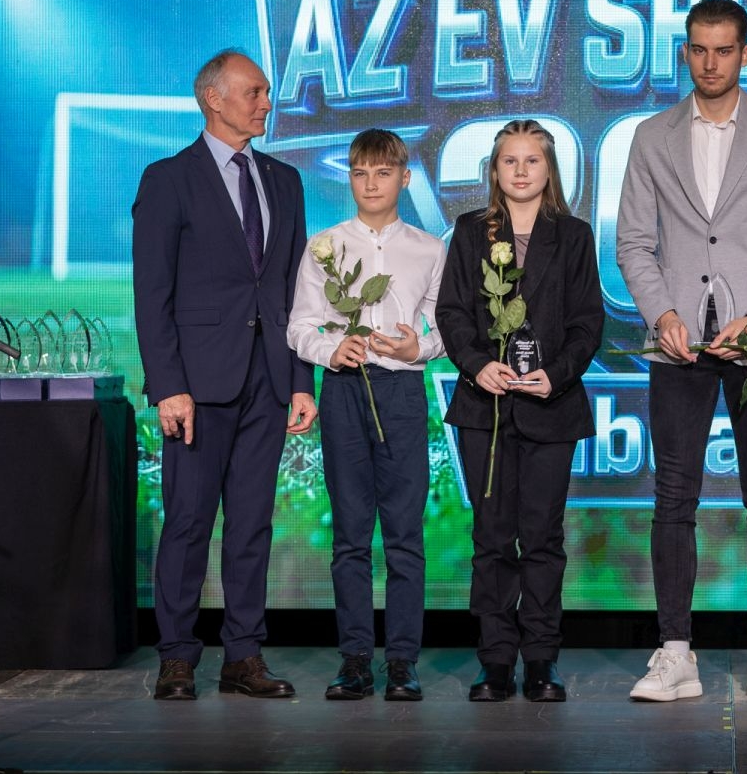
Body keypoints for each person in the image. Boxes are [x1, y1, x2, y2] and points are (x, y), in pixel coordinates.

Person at [616, 0, 747, 703]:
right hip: (678, 344)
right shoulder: (651, 135)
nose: (711, 62)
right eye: (699, 50)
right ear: (685, 52)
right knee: (673, 497)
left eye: (724, 50)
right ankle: (676, 651)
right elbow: (633, 243)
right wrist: (662, 312)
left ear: (746, 53)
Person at [133, 49, 317, 701]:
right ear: (213, 98)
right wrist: (168, 385)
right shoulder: (168, 179)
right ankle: (177, 658)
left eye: (266, 92)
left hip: (269, 382)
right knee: (187, 522)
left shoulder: (285, 181)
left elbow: (296, 292)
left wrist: (301, 380)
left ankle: (243, 655)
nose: (267, 102)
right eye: (255, 91)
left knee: (251, 524)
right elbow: (152, 294)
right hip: (197, 386)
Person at [435, 119, 604, 703]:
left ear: (549, 169)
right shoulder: (469, 231)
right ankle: (495, 661)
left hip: (551, 408)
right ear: (494, 169)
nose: (522, 170)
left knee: (542, 539)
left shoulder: (574, 235)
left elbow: (587, 323)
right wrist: (477, 364)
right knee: (491, 537)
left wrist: (556, 374)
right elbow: (452, 312)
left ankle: (540, 660)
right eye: (511, 160)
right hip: (485, 408)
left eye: (533, 160)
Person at [287, 129, 446, 702]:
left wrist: (418, 348)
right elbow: (299, 325)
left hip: (401, 393)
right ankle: (355, 658)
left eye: (383, 172)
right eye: (360, 173)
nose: (371, 183)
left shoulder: (430, 249)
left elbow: (444, 329)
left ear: (405, 178)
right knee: (351, 535)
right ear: (349, 179)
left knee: (404, 536)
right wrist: (333, 349)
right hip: (345, 391)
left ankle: (402, 661)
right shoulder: (324, 245)